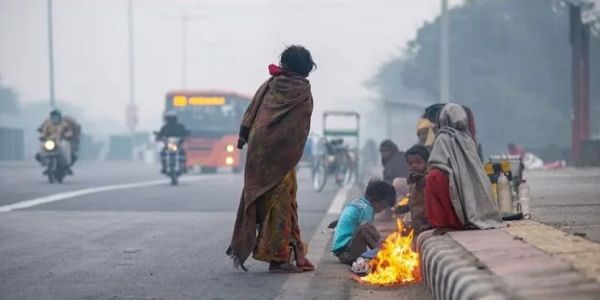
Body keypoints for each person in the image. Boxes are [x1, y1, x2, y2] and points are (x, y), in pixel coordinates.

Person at [227, 45, 316, 273]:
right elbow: (298, 127)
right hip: (282, 155)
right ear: (305, 67)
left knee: (282, 202)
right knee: (281, 204)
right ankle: (278, 259)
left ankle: (296, 254)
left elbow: (252, 113)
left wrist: (245, 136)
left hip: (259, 152)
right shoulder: (301, 90)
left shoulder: (270, 85)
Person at [425, 103, 502, 230]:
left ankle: (445, 222)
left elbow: (436, 163)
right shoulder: (468, 139)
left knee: (433, 177)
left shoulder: (443, 137)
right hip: (466, 183)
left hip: (449, 182)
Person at [331, 179, 396, 265]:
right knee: (365, 229)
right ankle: (383, 253)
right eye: (383, 206)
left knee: (367, 229)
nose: (382, 211)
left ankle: (380, 250)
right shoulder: (367, 209)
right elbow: (368, 231)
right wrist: (381, 244)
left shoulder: (358, 203)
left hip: (342, 251)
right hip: (348, 253)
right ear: (375, 201)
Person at [405, 144, 431, 237]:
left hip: (426, 221)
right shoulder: (413, 180)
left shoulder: (429, 179)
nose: (414, 166)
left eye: (418, 162)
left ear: (427, 163)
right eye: (411, 163)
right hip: (416, 219)